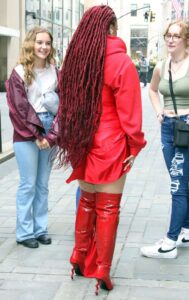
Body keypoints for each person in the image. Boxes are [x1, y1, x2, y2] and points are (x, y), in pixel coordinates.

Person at [57, 5, 146, 295]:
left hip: (84, 141)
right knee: (108, 208)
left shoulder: (77, 59)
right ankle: (103, 272)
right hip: (111, 145)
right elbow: (130, 114)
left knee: (87, 202)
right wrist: (135, 144)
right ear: (112, 29)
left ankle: (79, 257)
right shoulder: (121, 62)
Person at [5, 26, 58, 249]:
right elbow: (18, 108)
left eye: (47, 43)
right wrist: (36, 135)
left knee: (43, 184)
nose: (43, 47)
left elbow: (64, 107)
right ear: (30, 44)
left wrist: (53, 135)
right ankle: (25, 232)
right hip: (26, 132)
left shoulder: (56, 70)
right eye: (39, 43)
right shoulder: (18, 72)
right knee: (28, 184)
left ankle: (40, 229)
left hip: (50, 130)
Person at [140, 20, 189, 259]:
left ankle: (169, 243)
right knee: (178, 180)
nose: (170, 39)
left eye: (176, 36)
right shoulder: (162, 65)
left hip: (186, 128)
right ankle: (187, 230)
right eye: (168, 35)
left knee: (177, 187)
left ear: (185, 40)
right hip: (168, 128)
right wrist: (158, 110)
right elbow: (152, 89)